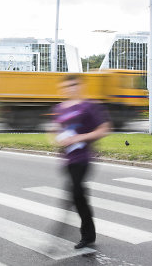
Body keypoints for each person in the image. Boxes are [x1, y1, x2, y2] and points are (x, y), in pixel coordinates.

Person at [54, 75, 111, 249]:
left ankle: (87, 235)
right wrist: (60, 139)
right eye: (66, 86)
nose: (70, 89)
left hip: (84, 158)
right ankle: (73, 204)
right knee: (77, 194)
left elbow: (104, 129)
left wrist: (81, 137)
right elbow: (57, 129)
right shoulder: (60, 108)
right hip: (68, 159)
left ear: (80, 86)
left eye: (73, 85)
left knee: (77, 193)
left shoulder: (89, 106)